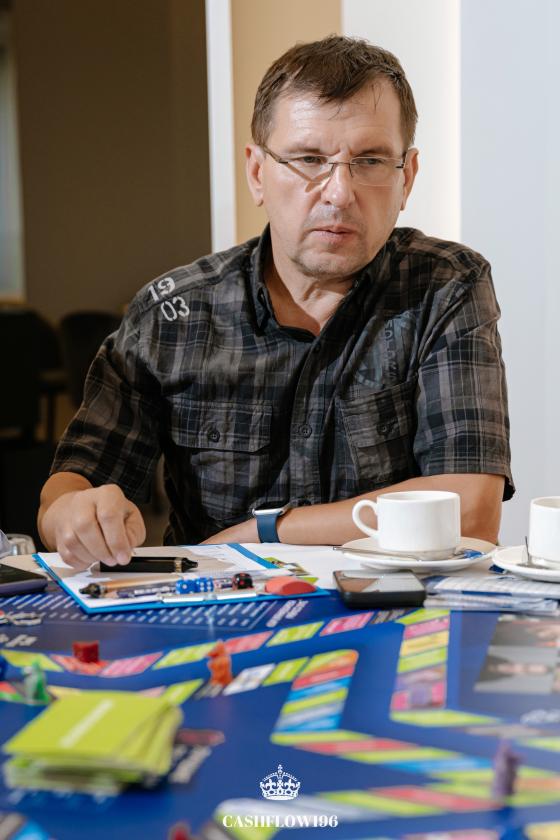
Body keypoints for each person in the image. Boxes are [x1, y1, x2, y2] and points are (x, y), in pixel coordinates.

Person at [38, 36, 513, 569]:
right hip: (218, 605)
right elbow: (72, 486)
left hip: (396, 604)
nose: (339, 192)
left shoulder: (446, 285)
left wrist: (267, 531)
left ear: (408, 178)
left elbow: (470, 511)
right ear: (257, 173)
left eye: (370, 160)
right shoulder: (172, 313)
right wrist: (74, 514)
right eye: (309, 159)